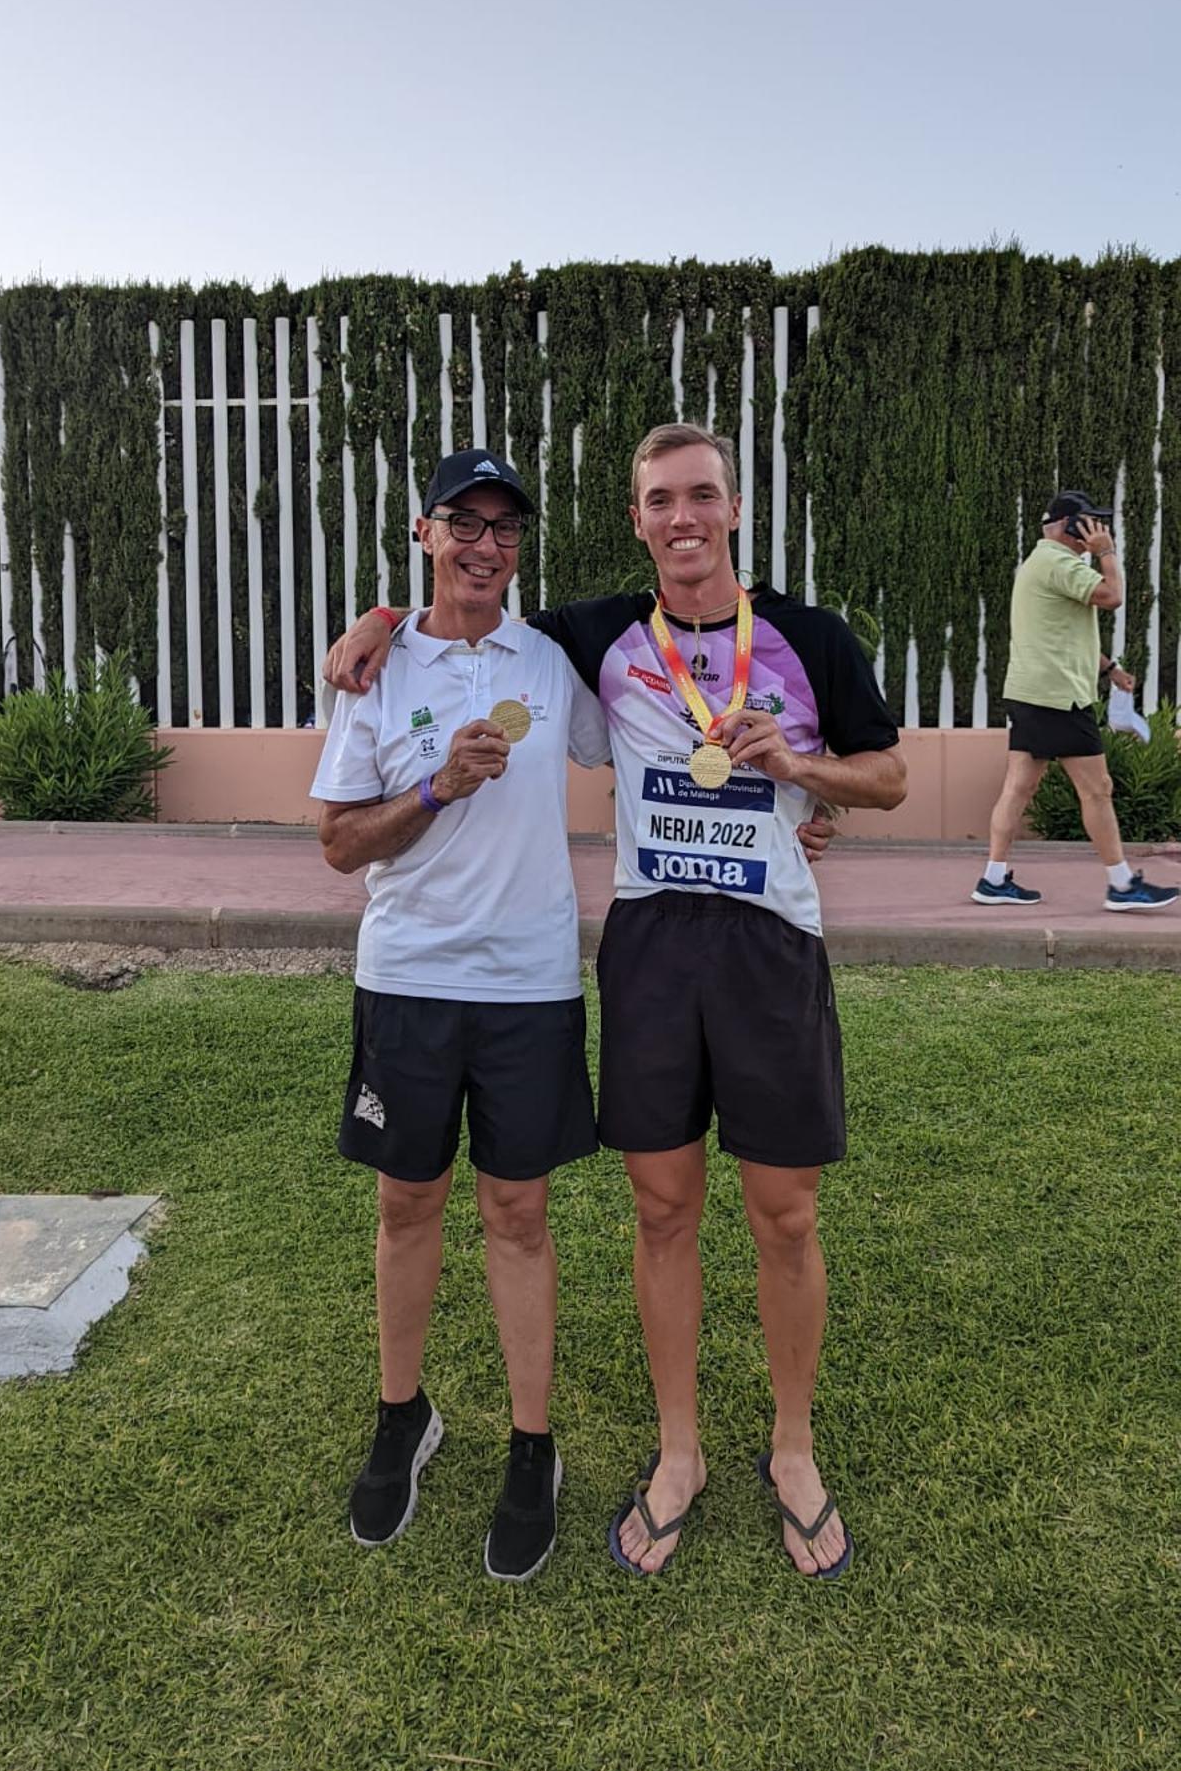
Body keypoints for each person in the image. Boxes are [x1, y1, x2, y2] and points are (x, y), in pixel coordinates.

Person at [325, 423, 904, 1580]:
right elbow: (461, 612)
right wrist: (379, 620)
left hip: (771, 949)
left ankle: (793, 1448)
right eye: (659, 501)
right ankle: (677, 1451)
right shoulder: (593, 638)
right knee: (661, 1211)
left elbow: (886, 775)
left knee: (786, 1215)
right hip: (648, 950)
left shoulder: (806, 637)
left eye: (701, 496)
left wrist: (801, 772)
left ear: (733, 509)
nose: (682, 518)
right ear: (637, 521)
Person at [311, 447, 611, 1582]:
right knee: (406, 1201)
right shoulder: (374, 674)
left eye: (506, 527)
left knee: (520, 1211)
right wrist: (435, 788)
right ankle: (404, 1416)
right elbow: (338, 844)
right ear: (425, 533)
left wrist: (791, 799)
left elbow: (645, 727)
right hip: (409, 978)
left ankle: (533, 1446)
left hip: (530, 982)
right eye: (464, 523)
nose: (487, 544)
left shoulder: (551, 664)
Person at [972, 490, 1177, 912]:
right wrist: (1108, 553)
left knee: (1019, 787)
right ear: (1069, 526)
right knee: (1097, 788)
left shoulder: (1039, 563)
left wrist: (1109, 669)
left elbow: (1060, 632)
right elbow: (1111, 596)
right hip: (1058, 698)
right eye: (1090, 523)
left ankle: (993, 879)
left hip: (1032, 693)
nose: (1097, 530)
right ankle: (1122, 886)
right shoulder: (1059, 562)